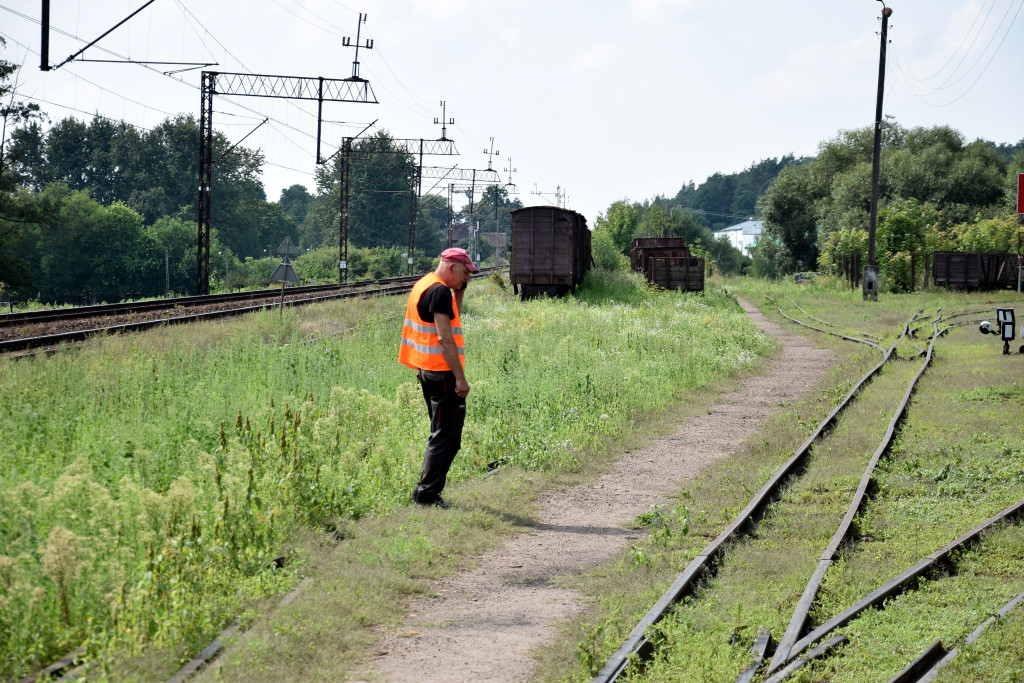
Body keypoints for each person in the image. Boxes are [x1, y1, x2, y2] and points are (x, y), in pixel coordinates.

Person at [399, 247, 479, 508]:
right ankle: (426, 496)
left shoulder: (426, 284)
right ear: (452, 267)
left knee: (443, 434)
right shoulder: (439, 290)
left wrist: (461, 292)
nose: (468, 277)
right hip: (443, 373)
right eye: (465, 272)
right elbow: (445, 339)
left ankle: (426, 491)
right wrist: (460, 378)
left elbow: (450, 318)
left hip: (427, 370)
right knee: (446, 437)